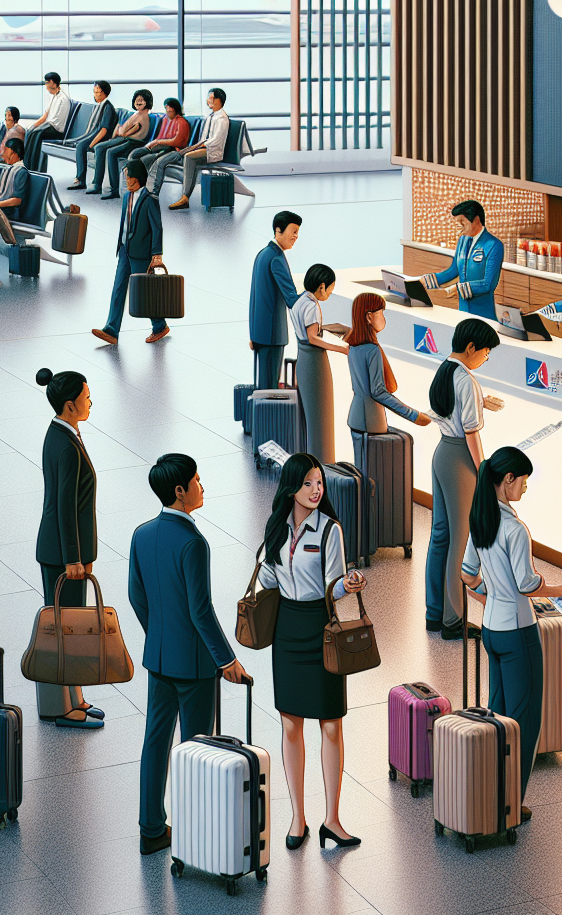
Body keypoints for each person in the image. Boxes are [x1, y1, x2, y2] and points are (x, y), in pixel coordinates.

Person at [127, 453, 249, 855]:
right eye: (196, 480)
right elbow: (201, 610)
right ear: (180, 491)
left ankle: (150, 828)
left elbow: (136, 595)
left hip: (159, 659)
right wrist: (226, 660)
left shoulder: (142, 534)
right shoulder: (194, 542)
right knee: (197, 748)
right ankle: (196, 833)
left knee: (155, 743)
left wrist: (160, 635)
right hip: (194, 666)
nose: (202, 485)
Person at [460, 447, 562, 816]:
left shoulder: (480, 519)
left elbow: (468, 574)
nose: (526, 487)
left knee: (496, 717)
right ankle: (510, 803)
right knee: (523, 724)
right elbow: (528, 584)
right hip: (519, 634)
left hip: (491, 630)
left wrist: (488, 597)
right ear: (508, 479)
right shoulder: (515, 529)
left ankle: (488, 794)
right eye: (524, 480)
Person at [257, 453, 366, 851]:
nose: (317, 490)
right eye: (308, 483)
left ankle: (333, 819)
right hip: (286, 630)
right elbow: (269, 577)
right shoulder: (276, 529)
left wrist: (348, 585)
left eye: (319, 483)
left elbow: (332, 585)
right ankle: (298, 817)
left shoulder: (329, 531)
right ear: (292, 488)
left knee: (331, 724)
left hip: (319, 627)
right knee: (290, 726)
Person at [33, 368, 104, 729]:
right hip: (64, 555)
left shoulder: (61, 434)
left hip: (60, 549)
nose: (90, 401)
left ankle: (74, 696)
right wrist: (73, 558)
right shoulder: (67, 447)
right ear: (69, 405)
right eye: (86, 397)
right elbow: (65, 507)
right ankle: (63, 707)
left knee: (70, 626)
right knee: (66, 629)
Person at [425, 318, 504, 638]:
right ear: (471, 348)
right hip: (460, 459)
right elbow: (471, 433)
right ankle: (454, 620)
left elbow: (445, 409)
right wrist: (484, 469)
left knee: (440, 536)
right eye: (485, 352)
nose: (486, 358)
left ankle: (435, 612)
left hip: (441, 453)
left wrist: (482, 400)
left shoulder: (445, 370)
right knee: (461, 540)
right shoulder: (468, 380)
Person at [345, 292, 432, 471]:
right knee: (374, 474)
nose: (384, 318)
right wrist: (413, 415)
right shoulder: (372, 350)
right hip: (372, 419)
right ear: (369, 316)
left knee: (361, 471)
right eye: (381, 312)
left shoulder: (353, 345)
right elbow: (378, 392)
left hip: (356, 416)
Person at [91, 159, 167, 345]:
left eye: (129, 178)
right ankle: (112, 329)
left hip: (141, 252)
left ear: (138, 178)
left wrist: (157, 254)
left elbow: (157, 228)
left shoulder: (150, 200)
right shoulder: (126, 197)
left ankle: (159, 326)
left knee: (143, 293)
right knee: (118, 288)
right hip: (125, 249)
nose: (126, 181)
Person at [289, 264, 347, 462]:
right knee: (322, 418)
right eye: (330, 287)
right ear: (322, 286)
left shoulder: (300, 301)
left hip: (303, 360)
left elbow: (306, 333)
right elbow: (312, 337)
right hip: (315, 363)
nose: (331, 292)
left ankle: (313, 463)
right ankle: (324, 466)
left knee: (311, 419)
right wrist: (341, 348)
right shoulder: (312, 306)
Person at [420, 199, 504, 317]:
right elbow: (453, 271)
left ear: (476, 220)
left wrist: (458, 289)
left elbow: (488, 284)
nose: (459, 227)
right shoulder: (462, 241)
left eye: (462, 222)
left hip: (483, 314)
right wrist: (425, 281)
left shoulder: (493, 245)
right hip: (463, 311)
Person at [249, 211, 302, 389]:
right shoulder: (276, 259)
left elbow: (254, 298)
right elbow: (292, 299)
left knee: (262, 385)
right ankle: (264, 418)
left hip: (259, 333)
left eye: (297, 232)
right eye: (293, 231)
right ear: (278, 230)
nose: (296, 237)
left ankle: (260, 417)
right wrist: (313, 295)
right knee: (269, 389)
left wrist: (253, 334)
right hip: (272, 336)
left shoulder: (262, 254)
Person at [162, 87, 230, 209]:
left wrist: (201, 145)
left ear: (219, 100)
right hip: (205, 148)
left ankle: (185, 197)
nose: (208, 100)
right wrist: (198, 145)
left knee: (189, 157)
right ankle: (185, 187)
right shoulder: (210, 117)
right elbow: (204, 137)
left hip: (213, 151)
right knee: (182, 154)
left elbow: (217, 140)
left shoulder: (222, 118)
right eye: (209, 98)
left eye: (211, 98)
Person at [118, 98, 188, 201]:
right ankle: (131, 182)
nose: (168, 112)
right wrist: (152, 144)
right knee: (134, 155)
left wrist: (159, 142)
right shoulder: (165, 120)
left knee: (147, 160)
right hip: (159, 147)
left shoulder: (181, 122)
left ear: (176, 109)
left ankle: (150, 191)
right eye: (166, 109)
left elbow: (178, 142)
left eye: (170, 110)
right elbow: (160, 136)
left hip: (172, 150)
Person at [87, 88, 152, 196]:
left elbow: (124, 132)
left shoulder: (142, 117)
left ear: (147, 101)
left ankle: (113, 189)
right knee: (99, 147)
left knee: (110, 152)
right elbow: (123, 130)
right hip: (125, 140)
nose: (138, 102)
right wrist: (121, 130)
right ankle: (97, 183)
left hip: (133, 143)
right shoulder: (137, 114)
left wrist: (120, 130)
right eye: (136, 99)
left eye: (141, 99)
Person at [63, 80, 118, 189]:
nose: (94, 95)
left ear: (103, 93)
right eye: (94, 92)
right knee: (79, 145)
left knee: (81, 146)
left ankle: (81, 179)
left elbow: (104, 130)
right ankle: (80, 178)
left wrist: (91, 144)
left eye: (96, 92)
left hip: (101, 137)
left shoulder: (108, 108)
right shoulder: (100, 106)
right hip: (95, 134)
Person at [22, 72, 72, 169]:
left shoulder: (63, 99)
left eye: (47, 83)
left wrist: (39, 127)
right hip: (49, 126)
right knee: (31, 131)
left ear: (53, 83)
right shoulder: (52, 96)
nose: (46, 86)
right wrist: (34, 125)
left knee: (37, 133)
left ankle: (33, 166)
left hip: (56, 130)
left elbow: (56, 123)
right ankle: (26, 162)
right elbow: (46, 115)